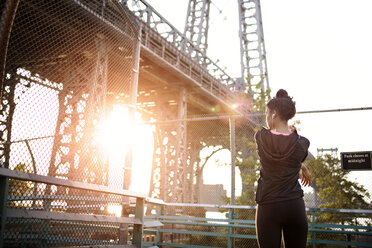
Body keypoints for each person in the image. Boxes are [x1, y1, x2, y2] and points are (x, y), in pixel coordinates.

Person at [254, 89, 312, 248]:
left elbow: (278, 151)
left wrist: (302, 166)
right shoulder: (302, 144)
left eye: (267, 113)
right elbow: (289, 156)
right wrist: (302, 165)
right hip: (294, 206)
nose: (266, 117)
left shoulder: (261, 137)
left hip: (268, 206)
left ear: (273, 114)